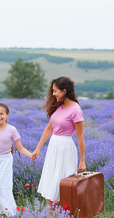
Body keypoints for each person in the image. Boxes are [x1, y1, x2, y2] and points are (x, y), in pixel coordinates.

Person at [32, 76, 86, 209]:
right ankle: (51, 216)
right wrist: (38, 148)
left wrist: (82, 160)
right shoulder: (59, 106)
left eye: (55, 91)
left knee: (61, 182)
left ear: (64, 91)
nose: (53, 94)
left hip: (65, 148)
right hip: (53, 146)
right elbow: (49, 128)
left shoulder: (76, 110)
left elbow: (80, 137)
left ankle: (65, 215)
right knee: (50, 181)